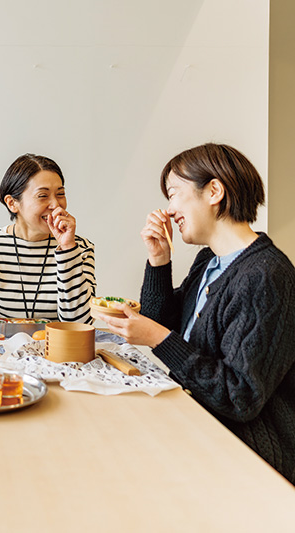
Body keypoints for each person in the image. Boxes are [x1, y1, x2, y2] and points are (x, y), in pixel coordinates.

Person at [98, 143, 295, 484]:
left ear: (214, 191)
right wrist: (159, 261)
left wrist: (159, 339)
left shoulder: (265, 275)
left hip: (248, 457)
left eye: (174, 194)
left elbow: (240, 396)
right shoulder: (211, 260)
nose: (169, 208)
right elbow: (166, 321)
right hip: (199, 427)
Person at [0, 154, 95, 323]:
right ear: (12, 203)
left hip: (58, 348)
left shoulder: (80, 249)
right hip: (1, 348)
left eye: (60, 194)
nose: (56, 204)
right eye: (43, 196)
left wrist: (67, 249)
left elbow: (81, 324)